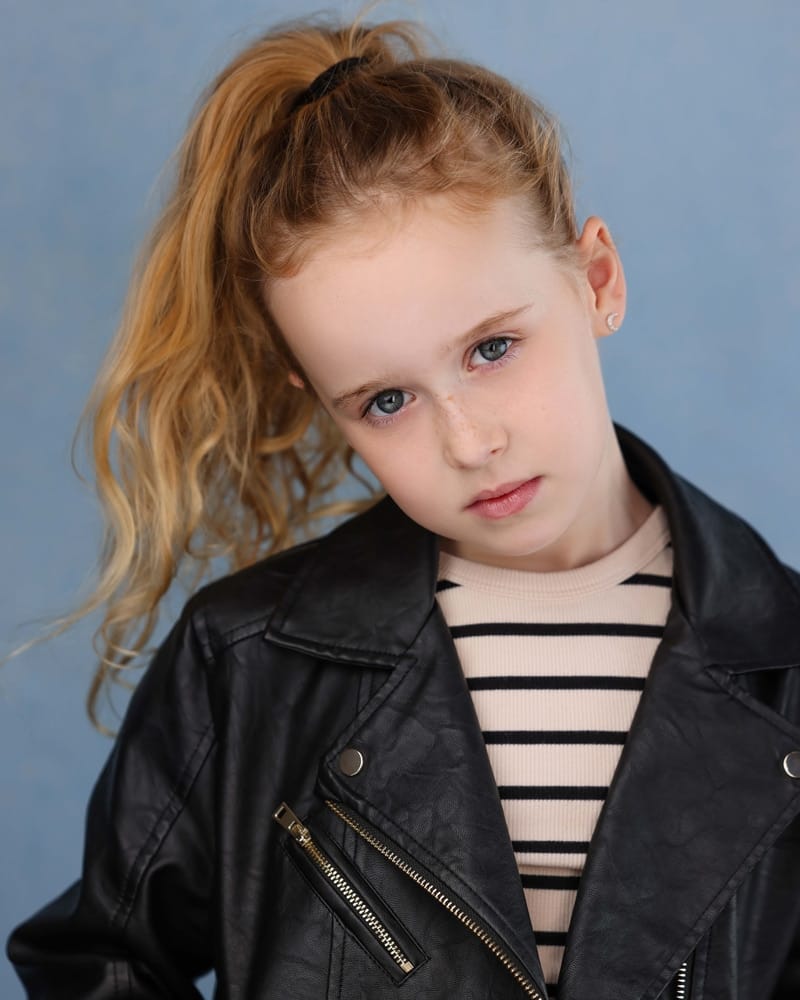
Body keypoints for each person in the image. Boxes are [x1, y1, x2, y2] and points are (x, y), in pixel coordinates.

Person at [6, 10, 800, 1000]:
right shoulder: (248, 662)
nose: (468, 443)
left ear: (596, 279)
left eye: (492, 348)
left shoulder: (785, 663)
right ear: (319, 400)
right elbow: (95, 961)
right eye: (386, 401)